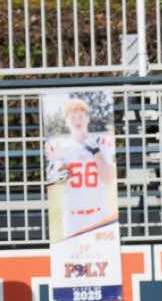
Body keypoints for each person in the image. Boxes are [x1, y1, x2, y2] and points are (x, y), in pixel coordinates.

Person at [46, 96, 115, 240]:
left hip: (99, 214)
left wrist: (96, 152)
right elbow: (53, 182)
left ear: (87, 118)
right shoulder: (60, 147)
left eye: (81, 116)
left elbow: (108, 179)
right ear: (66, 121)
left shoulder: (101, 143)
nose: (77, 121)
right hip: (73, 218)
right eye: (73, 117)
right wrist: (58, 173)